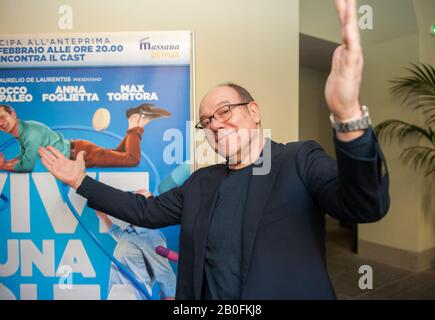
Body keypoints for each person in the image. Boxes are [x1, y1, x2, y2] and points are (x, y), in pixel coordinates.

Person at [38, 0, 390, 299]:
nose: (216, 124)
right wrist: (80, 182)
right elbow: (142, 212)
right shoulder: (201, 182)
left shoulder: (298, 160)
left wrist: (347, 116)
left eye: (224, 111)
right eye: (206, 121)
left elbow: (365, 205)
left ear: (253, 112)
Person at [0, 103, 171, 172]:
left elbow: (27, 165)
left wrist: (4, 166)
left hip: (80, 153)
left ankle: (135, 123)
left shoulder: (30, 133)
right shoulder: (23, 132)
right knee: (117, 154)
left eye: (2, 117)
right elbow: (24, 157)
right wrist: (7, 162)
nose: (1, 123)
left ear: (13, 114)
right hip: (79, 151)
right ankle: (135, 123)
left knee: (131, 159)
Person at [95, 189, 176, 300]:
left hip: (134, 296)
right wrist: (103, 217)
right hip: (115, 294)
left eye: (137, 202)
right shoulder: (129, 233)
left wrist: (170, 297)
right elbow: (116, 233)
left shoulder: (151, 236)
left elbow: (164, 272)